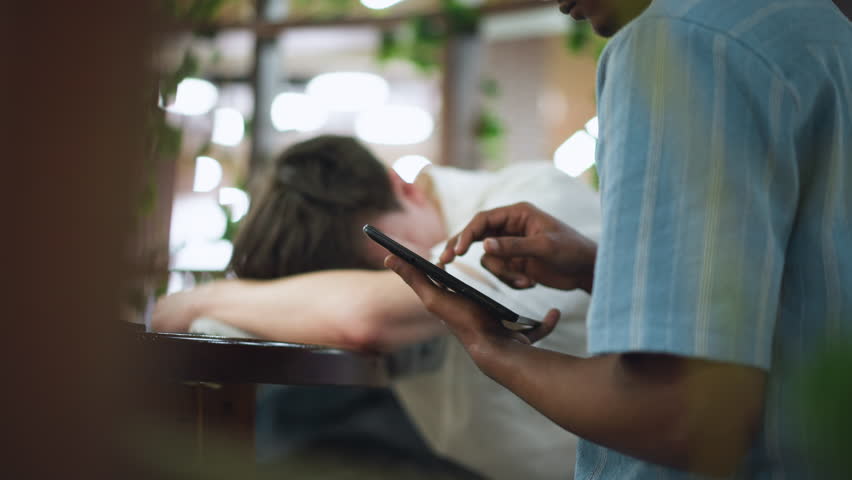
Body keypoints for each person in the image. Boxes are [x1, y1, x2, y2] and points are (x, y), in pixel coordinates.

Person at [386, 0, 852, 478]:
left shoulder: (678, 44)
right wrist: (600, 269)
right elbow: (803, 298)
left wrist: (492, 348)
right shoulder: (815, 25)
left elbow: (676, 414)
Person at [153, 135, 602, 479]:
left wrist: (205, 297)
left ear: (401, 187)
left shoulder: (532, 200)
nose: (376, 282)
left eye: (381, 267)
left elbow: (367, 317)